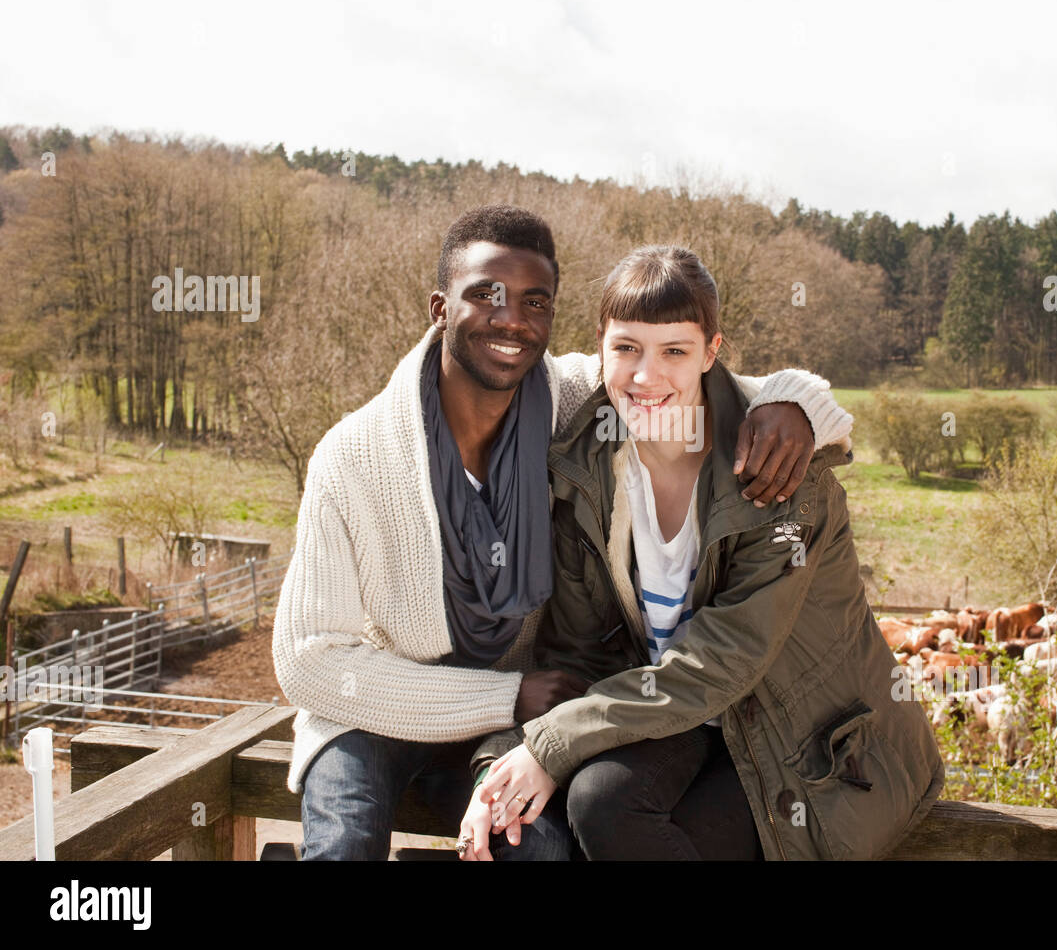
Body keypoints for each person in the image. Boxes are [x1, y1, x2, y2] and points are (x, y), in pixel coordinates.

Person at [271, 208, 855, 860]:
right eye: (486, 295)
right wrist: (504, 695)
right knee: (344, 847)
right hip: (378, 711)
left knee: (540, 850)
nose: (511, 319)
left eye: (535, 302)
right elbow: (307, 663)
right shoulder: (351, 457)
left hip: (523, 718)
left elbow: (694, 380)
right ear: (439, 306)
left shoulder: (572, 398)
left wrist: (796, 405)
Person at [460, 245, 944, 861]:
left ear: (712, 351)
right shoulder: (586, 470)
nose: (645, 376)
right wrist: (505, 762)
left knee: (608, 811)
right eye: (627, 348)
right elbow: (579, 649)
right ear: (600, 347)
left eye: (675, 352)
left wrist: (553, 746)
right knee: (592, 800)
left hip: (799, 737)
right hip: (670, 714)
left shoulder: (782, 476)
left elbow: (726, 659)